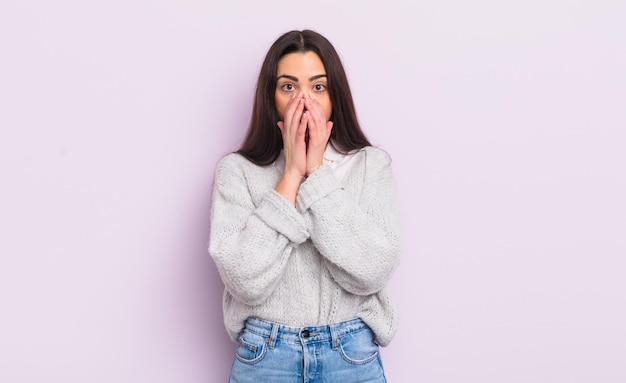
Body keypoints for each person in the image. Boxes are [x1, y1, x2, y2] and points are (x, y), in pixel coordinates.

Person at [208, 29, 401, 383]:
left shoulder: (370, 165)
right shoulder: (237, 172)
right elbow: (243, 279)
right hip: (265, 356)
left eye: (317, 86)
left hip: (350, 355)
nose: (303, 101)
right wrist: (292, 174)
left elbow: (373, 269)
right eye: (288, 87)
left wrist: (315, 173)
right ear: (272, 98)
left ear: (333, 97)